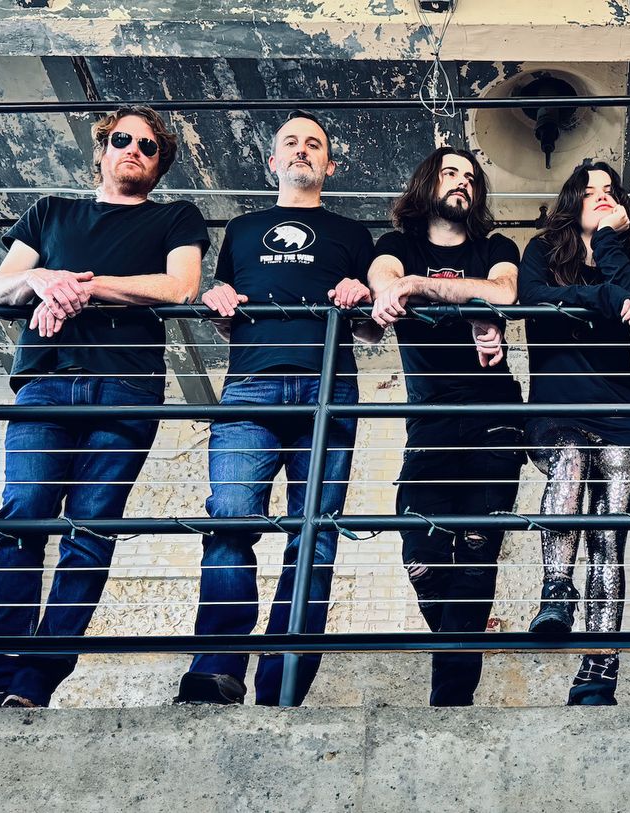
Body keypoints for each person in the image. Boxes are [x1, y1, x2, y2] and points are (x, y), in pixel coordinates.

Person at [0, 106, 209, 709]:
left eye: (149, 146)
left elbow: (180, 287)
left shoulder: (174, 217)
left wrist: (82, 285)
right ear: (102, 149)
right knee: (22, 515)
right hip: (46, 383)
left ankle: (34, 684)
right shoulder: (51, 211)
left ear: (158, 164)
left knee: (90, 530)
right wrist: (42, 279)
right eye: (123, 139)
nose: (134, 150)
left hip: (126, 389)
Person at [174, 111, 374, 706]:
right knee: (231, 516)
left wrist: (362, 296)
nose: (302, 150)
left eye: (314, 144)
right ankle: (217, 670)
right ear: (272, 161)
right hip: (250, 387)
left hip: (326, 389)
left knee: (314, 533)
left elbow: (370, 330)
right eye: (291, 142)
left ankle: (283, 683)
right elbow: (225, 315)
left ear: (329, 165)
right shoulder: (241, 230)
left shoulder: (353, 235)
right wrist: (217, 298)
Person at [368, 146, 525, 707]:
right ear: (426, 184)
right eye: (449, 173)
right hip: (429, 422)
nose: (461, 182)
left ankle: (450, 702)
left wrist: (419, 286)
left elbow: (503, 291)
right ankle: (456, 675)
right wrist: (453, 294)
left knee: (478, 552)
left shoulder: (496, 247)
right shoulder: (396, 247)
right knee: (421, 553)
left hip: (495, 418)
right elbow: (384, 281)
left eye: (470, 177)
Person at [518, 160, 630, 705]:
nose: (600, 196)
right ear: (571, 201)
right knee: (570, 455)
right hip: (558, 413)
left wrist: (609, 243)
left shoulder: (624, 259)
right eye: (589, 190)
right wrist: (602, 299)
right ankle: (556, 588)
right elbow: (532, 299)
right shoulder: (541, 253)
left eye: (610, 192)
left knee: (607, 537)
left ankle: (599, 670)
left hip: (619, 416)